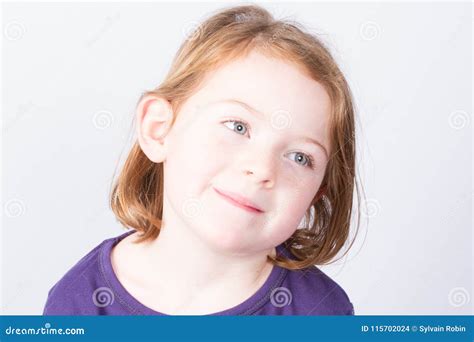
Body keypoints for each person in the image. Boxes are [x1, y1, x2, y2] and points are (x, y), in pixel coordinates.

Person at [43, 4, 361, 316]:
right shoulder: (79, 303)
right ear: (159, 130)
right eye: (238, 127)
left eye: (300, 157)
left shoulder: (322, 313)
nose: (262, 169)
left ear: (318, 192)